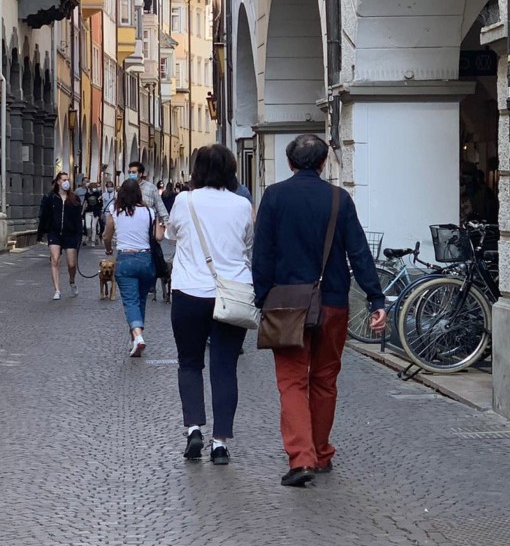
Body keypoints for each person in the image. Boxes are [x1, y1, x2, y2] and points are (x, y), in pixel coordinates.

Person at [253, 134, 386, 487]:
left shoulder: (275, 196)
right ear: (325, 163)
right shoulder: (339, 199)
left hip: (285, 302)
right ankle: (322, 450)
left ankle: (301, 458)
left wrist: (261, 298)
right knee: (325, 380)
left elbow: (262, 253)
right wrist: (376, 299)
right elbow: (359, 252)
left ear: (290, 163)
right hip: (332, 301)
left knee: (292, 382)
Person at [164, 145, 254, 466]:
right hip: (231, 293)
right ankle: (220, 443)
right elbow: (247, 244)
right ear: (231, 170)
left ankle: (193, 429)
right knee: (224, 366)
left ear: (197, 170)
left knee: (189, 362)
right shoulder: (243, 205)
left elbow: (172, 235)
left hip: (189, 292)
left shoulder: (183, 201)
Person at [103, 179, 164, 357]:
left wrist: (108, 248)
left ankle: (138, 337)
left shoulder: (115, 211)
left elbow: (107, 236)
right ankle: (135, 340)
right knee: (141, 300)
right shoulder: (149, 211)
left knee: (130, 301)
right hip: (146, 260)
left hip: (126, 259)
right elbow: (159, 237)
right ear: (139, 193)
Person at [38, 172, 83, 300]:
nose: (66, 182)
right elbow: (43, 216)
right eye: (64, 180)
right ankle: (57, 289)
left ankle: (72, 281)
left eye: (67, 180)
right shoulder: (50, 198)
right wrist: (40, 233)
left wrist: (79, 234)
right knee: (55, 259)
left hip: (70, 234)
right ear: (58, 181)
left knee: (71, 264)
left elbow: (78, 219)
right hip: (54, 233)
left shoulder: (74, 199)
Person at [83, 182, 103, 247]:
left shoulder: (97, 194)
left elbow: (100, 202)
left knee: (94, 226)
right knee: (88, 226)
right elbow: (85, 202)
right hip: (88, 211)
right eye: (93, 188)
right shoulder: (87, 194)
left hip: (95, 212)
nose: (94, 189)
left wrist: (99, 209)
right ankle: (89, 235)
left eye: (95, 188)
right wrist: (82, 210)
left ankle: (93, 241)